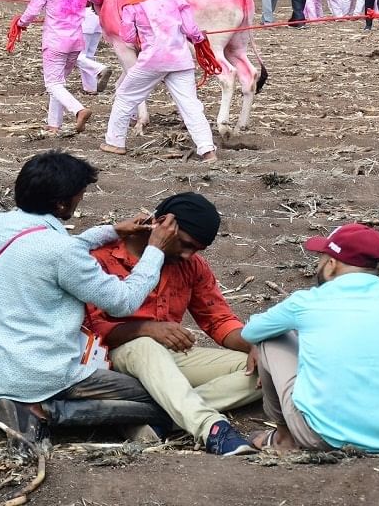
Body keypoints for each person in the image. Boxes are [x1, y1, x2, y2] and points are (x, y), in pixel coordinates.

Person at [0, 151, 179, 448]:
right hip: (43, 374)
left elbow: (49, 247)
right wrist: (155, 250)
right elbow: (123, 300)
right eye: (80, 195)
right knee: (160, 395)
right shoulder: (64, 253)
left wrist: (111, 231)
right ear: (61, 203)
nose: (81, 200)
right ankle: (46, 412)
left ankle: (5, 408)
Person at [83, 193, 261, 456]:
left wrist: (257, 346)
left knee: (261, 370)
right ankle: (210, 427)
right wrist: (146, 329)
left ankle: (159, 417)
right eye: (186, 244)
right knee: (145, 345)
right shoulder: (101, 257)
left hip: (164, 360)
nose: (189, 255)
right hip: (111, 357)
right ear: (164, 223)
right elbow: (93, 329)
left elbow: (218, 320)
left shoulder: (191, 265)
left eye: (197, 250)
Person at [241, 223, 379, 453]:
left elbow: (251, 332)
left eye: (321, 259)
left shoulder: (307, 302)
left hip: (322, 437)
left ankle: (284, 438)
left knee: (271, 337)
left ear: (331, 265)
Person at [100, 0, 218, 162]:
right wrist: (201, 36)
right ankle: (207, 150)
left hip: (151, 61)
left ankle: (115, 142)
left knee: (125, 97)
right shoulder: (178, 1)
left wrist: (143, 35)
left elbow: (127, 37)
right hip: (180, 61)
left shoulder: (132, 5)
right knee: (190, 105)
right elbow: (193, 32)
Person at [15, 0, 104, 135]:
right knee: (59, 83)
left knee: (53, 84)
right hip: (76, 43)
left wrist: (21, 23)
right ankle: (54, 125)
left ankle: (79, 110)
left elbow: (31, 13)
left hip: (55, 42)